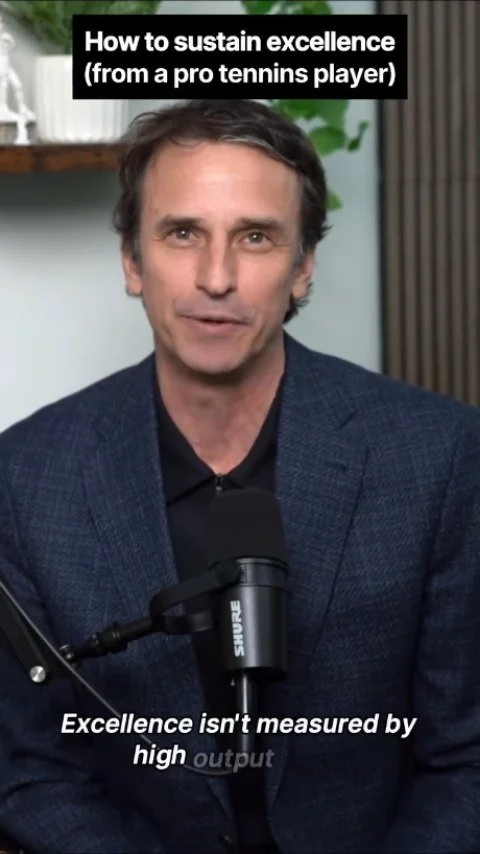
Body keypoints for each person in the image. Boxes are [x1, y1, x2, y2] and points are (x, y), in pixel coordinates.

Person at [0, 98, 479, 854]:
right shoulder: (25, 478)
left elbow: (465, 760)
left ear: (302, 268)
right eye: (182, 233)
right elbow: (33, 771)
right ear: (132, 260)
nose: (216, 277)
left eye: (255, 237)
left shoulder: (441, 455)